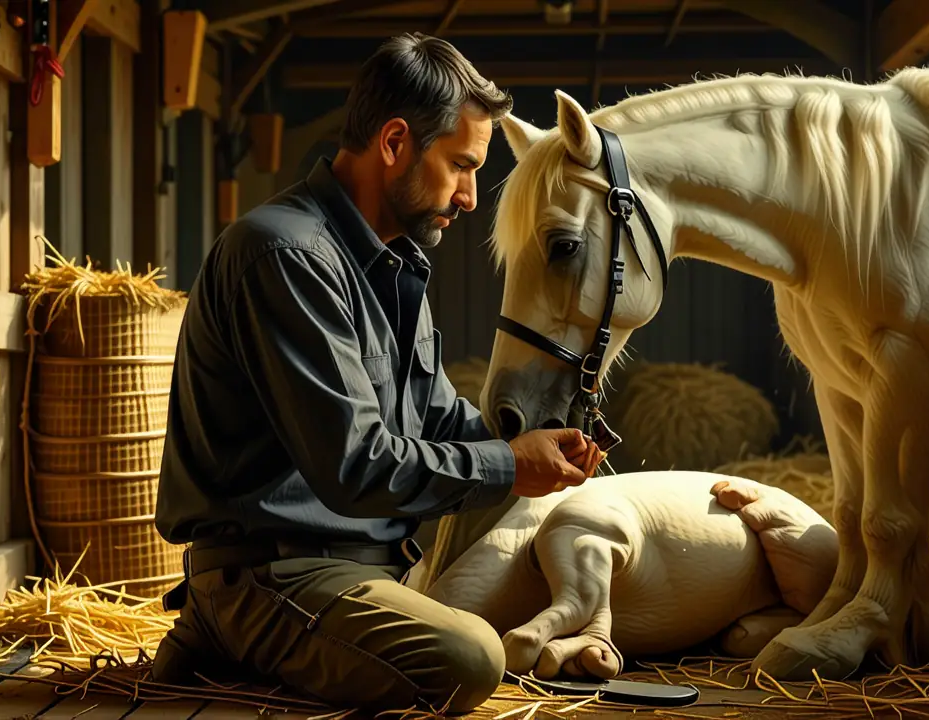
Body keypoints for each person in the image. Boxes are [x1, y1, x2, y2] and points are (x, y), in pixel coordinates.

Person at [151, 32, 605, 714]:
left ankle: (242, 645)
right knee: (470, 659)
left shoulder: (394, 262)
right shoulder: (286, 256)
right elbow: (357, 466)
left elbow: (439, 417)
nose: (471, 197)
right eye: (460, 166)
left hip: (356, 571)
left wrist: (542, 446)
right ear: (395, 143)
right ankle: (226, 630)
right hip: (276, 573)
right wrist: (507, 466)